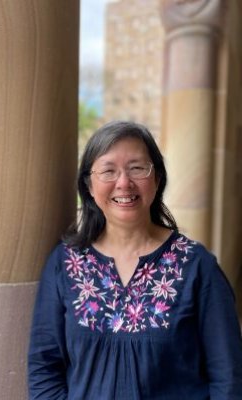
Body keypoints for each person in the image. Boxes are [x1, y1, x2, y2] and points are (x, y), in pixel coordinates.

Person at [27, 121, 242, 399]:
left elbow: (228, 376)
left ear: (157, 179)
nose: (124, 183)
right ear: (89, 186)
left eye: (137, 168)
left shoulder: (195, 265)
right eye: (108, 171)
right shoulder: (66, 264)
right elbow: (44, 368)